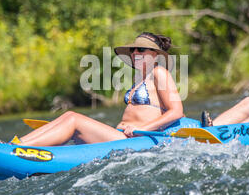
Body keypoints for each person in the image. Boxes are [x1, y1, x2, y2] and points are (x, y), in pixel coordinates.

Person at [13, 32, 184, 146]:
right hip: (120, 135)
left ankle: (17, 149)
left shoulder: (159, 72)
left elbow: (176, 111)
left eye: (140, 49)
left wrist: (146, 128)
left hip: (134, 140)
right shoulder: (138, 78)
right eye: (132, 50)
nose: (134, 53)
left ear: (155, 54)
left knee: (73, 118)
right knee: (68, 116)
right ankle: (15, 145)